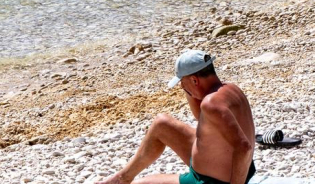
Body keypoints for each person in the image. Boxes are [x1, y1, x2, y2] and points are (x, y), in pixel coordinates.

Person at [98, 50, 257, 184]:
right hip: (227, 166)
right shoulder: (230, 90)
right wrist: (190, 88)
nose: (182, 88)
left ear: (195, 79)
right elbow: (201, 118)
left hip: (209, 180)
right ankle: (123, 177)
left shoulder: (211, 104)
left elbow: (243, 147)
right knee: (161, 124)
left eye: (183, 83)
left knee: (143, 183)